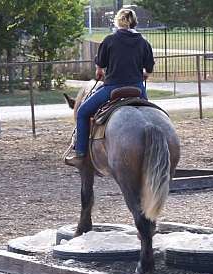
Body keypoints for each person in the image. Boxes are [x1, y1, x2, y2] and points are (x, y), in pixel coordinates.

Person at [65, 8, 155, 167]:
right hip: (137, 89)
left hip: (112, 88)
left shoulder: (109, 40)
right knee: (152, 115)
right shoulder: (143, 42)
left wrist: (99, 70)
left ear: (118, 21)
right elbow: (149, 68)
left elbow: (100, 68)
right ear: (135, 22)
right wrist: (145, 74)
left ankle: (80, 153)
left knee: (82, 112)